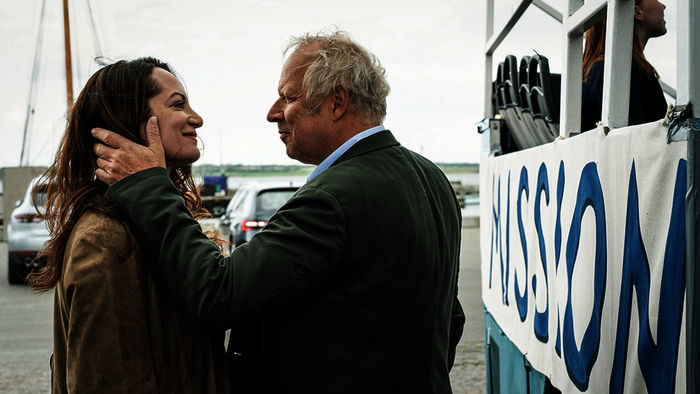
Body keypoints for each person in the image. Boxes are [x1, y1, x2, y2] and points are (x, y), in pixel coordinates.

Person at [91, 31, 465, 393]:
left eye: (288, 98)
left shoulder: (333, 198)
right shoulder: (431, 177)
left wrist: (149, 188)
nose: (273, 114)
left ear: (337, 101)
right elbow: (448, 317)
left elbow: (219, 294)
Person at [30, 57, 230, 393]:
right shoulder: (107, 239)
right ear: (130, 122)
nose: (197, 118)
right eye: (178, 104)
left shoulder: (153, 225)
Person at [580, 0, 668, 132]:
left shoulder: (602, 69)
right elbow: (635, 139)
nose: (663, 6)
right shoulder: (617, 71)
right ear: (637, 12)